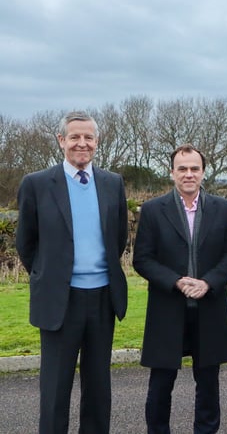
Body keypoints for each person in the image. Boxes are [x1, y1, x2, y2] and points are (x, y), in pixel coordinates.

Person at [15, 111, 128, 434]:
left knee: (97, 390)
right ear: (61, 141)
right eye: (75, 137)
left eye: (88, 137)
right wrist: (49, 276)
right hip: (59, 301)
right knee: (54, 391)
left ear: (97, 141)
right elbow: (27, 243)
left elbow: (118, 239)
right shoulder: (36, 184)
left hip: (103, 299)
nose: (82, 143)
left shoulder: (112, 183)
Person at [133, 144, 227, 434]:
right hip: (168, 308)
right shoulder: (154, 210)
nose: (189, 174)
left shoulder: (223, 209)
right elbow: (142, 259)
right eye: (182, 168)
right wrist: (176, 281)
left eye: (194, 168)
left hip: (210, 308)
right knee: (160, 385)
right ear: (172, 173)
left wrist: (208, 282)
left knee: (208, 386)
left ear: (203, 172)